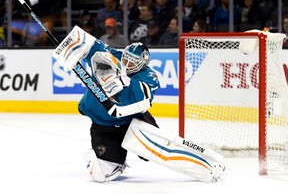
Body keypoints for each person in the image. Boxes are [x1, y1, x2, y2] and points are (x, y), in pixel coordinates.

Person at [53, 26, 225, 183]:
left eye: (133, 63)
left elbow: (138, 102)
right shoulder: (113, 57)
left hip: (132, 122)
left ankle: (206, 166)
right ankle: (117, 160)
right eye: (126, 59)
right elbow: (90, 45)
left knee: (155, 151)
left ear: (143, 65)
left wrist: (121, 80)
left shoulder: (149, 77)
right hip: (103, 124)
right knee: (101, 173)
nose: (127, 64)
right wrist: (70, 46)